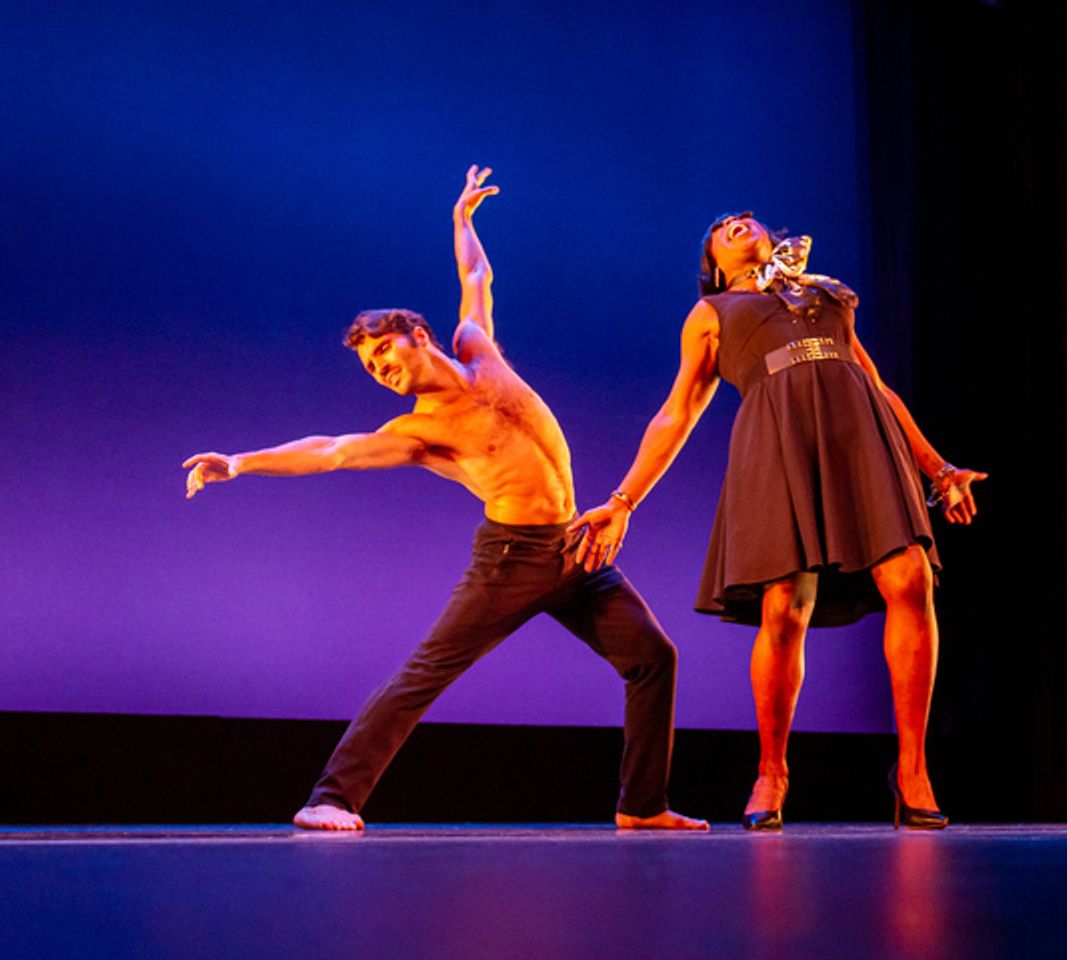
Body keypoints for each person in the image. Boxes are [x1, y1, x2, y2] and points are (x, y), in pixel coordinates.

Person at [182, 166, 707, 832]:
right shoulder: (418, 430)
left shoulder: (477, 346)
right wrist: (241, 462)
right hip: (510, 560)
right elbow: (333, 450)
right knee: (425, 673)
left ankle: (642, 806)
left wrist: (462, 222)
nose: (380, 369)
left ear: (418, 336)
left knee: (653, 658)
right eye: (370, 366)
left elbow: (477, 281)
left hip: (577, 548)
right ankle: (331, 800)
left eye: (383, 352)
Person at [570, 214, 986, 829]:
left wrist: (938, 468)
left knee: (911, 579)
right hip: (778, 443)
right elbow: (676, 414)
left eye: (747, 218)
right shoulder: (713, 311)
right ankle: (772, 771)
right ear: (713, 260)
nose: (739, 223)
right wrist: (623, 500)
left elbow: (877, 386)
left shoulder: (825, 294)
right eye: (722, 227)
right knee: (785, 603)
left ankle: (913, 769)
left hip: (860, 438)